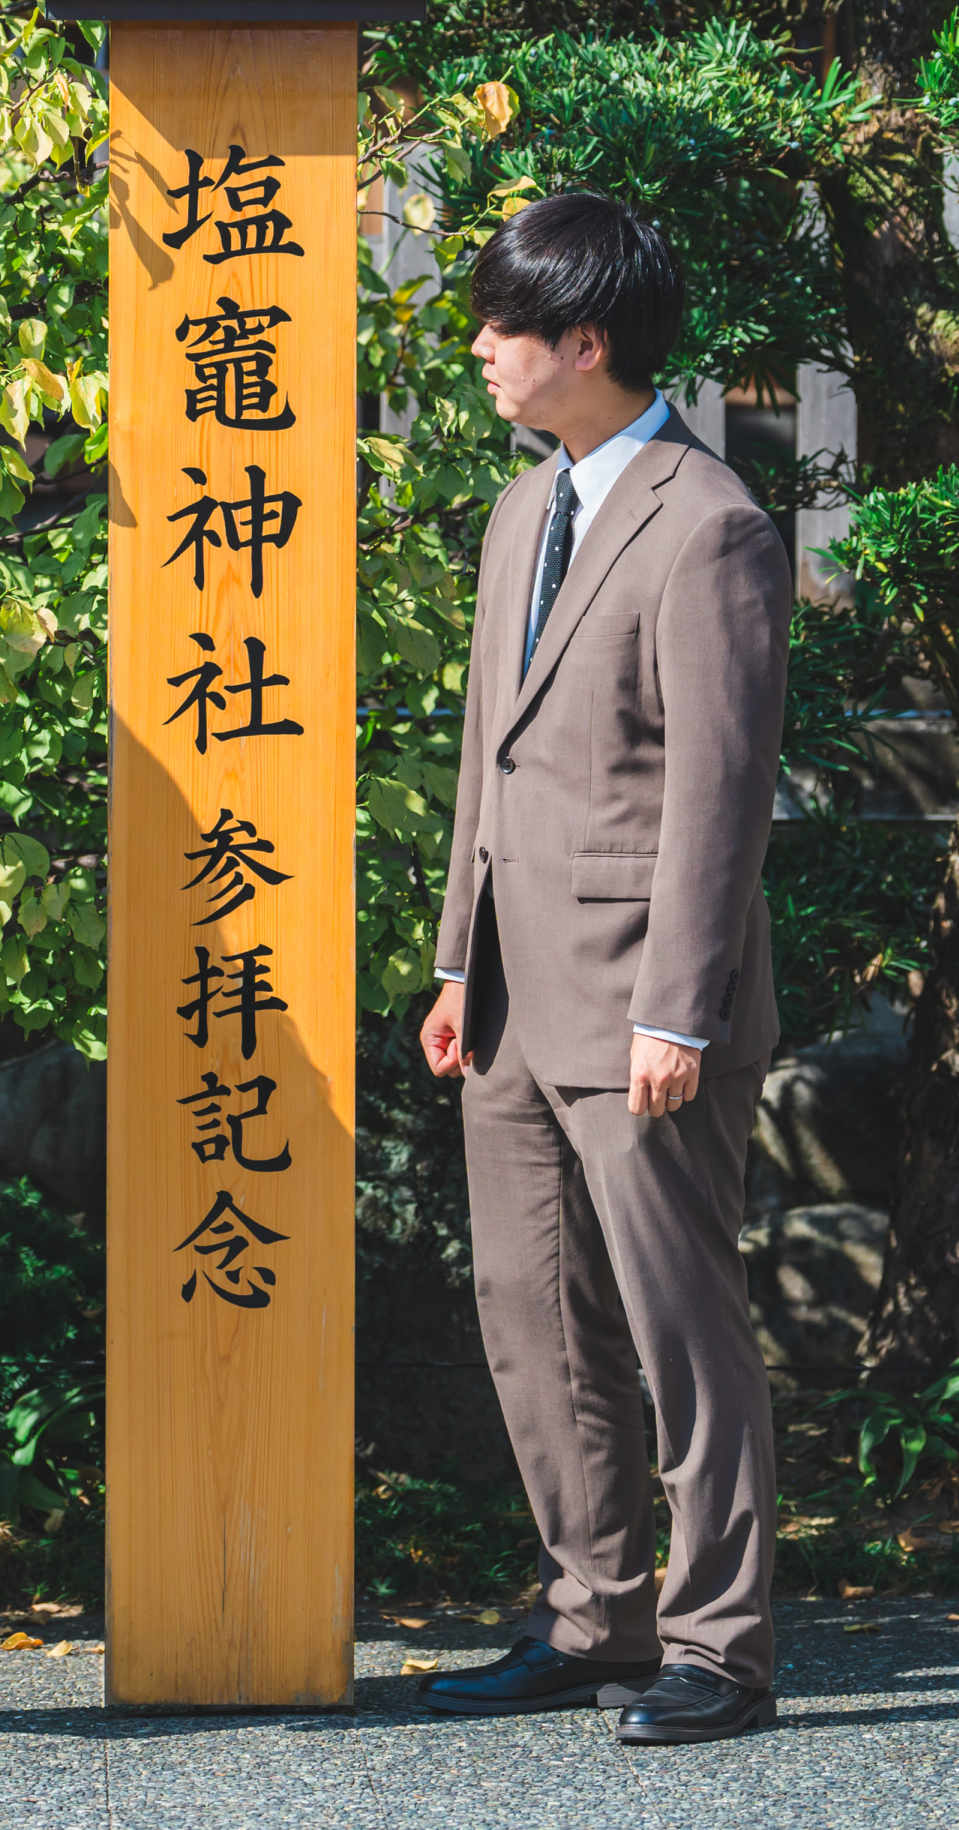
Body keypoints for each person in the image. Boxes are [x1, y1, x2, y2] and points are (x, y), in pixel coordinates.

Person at [417, 193, 790, 1747]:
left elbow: (723, 789)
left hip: (644, 1002)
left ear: (590, 342)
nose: (483, 351)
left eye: (508, 327)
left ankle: (720, 1644)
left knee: (677, 1322)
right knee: (533, 1312)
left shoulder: (709, 524)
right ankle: (594, 1613)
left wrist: (678, 1010)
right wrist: (453, 964)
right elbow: (485, 768)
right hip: (509, 997)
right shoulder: (525, 510)